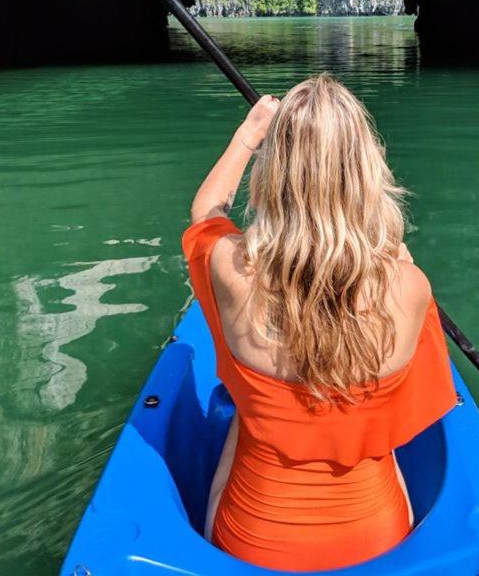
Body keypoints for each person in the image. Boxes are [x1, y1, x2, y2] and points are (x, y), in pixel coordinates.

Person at [181, 74, 457, 571]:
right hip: (376, 538)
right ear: (366, 172)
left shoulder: (230, 270)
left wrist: (250, 132)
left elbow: (206, 213)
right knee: (372, 426)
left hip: (251, 539)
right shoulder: (409, 287)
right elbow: (417, 401)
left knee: (246, 413)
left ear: (273, 175)